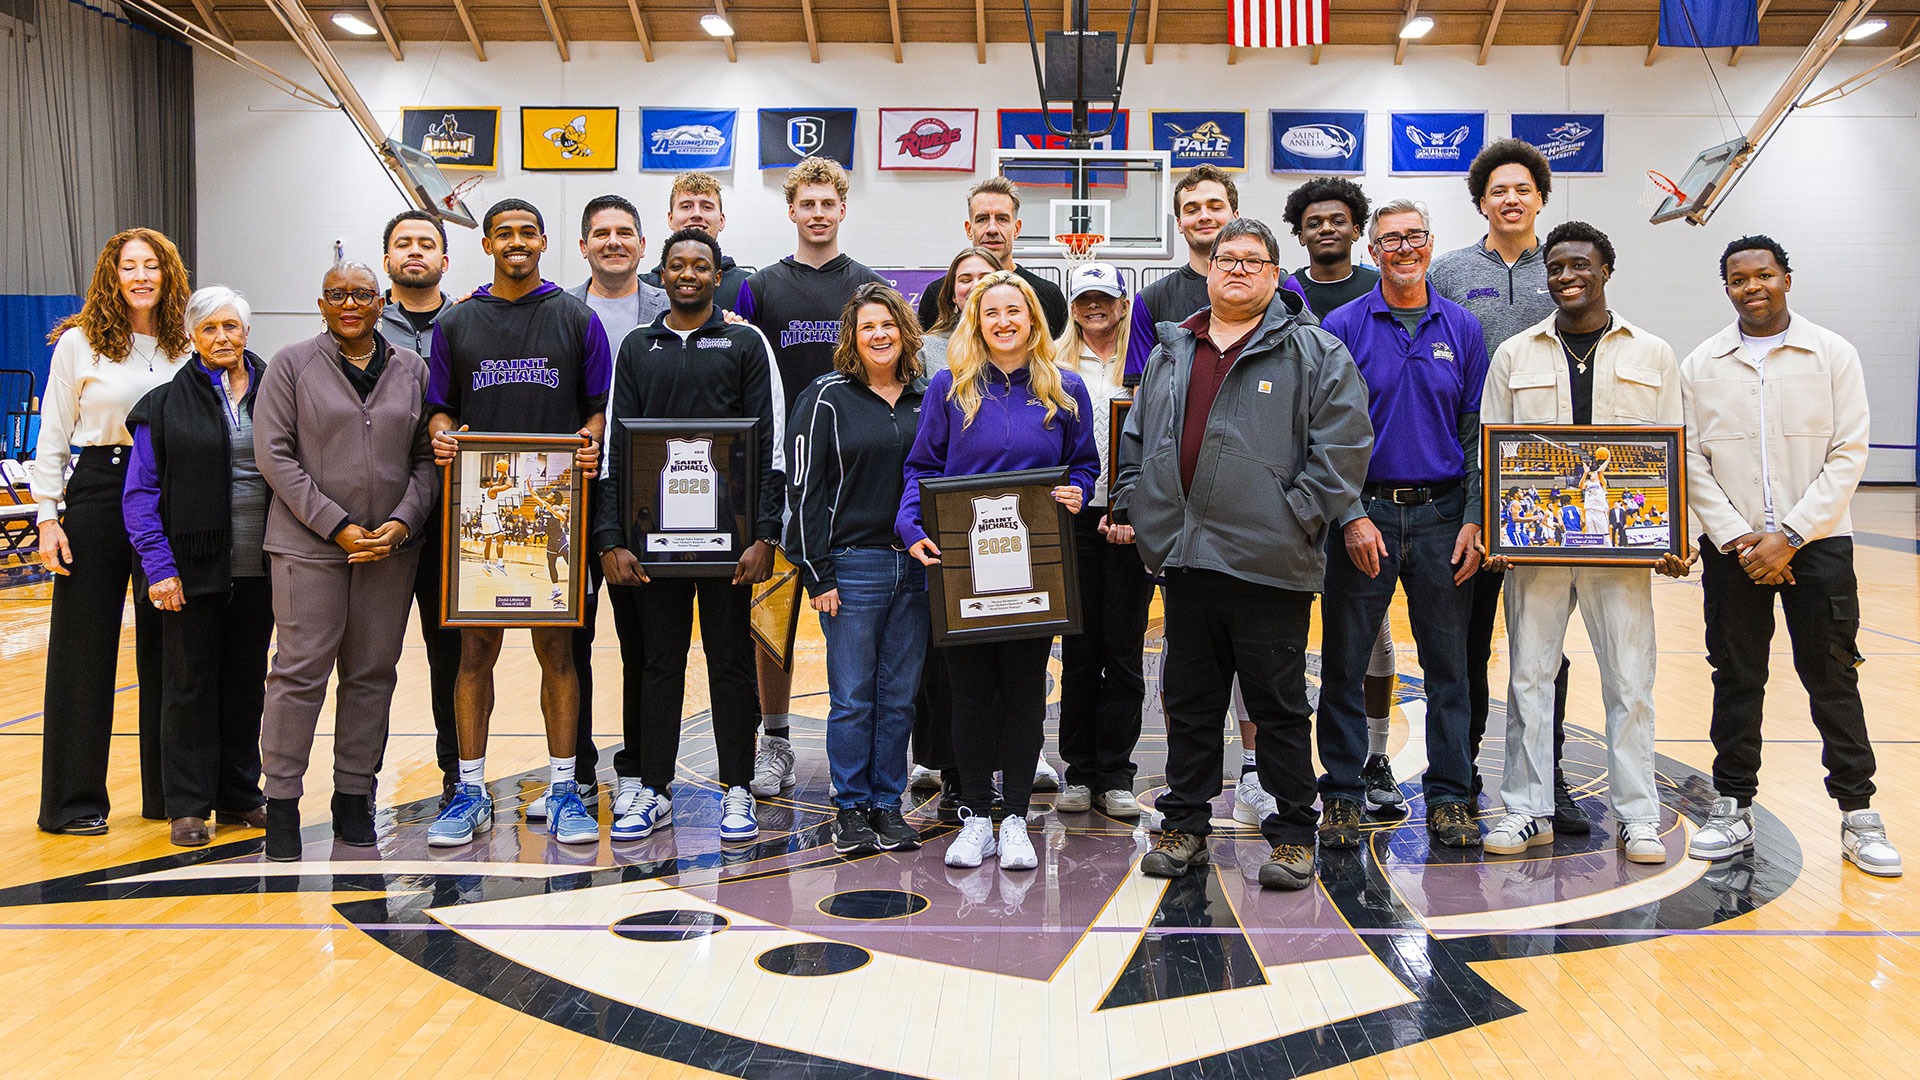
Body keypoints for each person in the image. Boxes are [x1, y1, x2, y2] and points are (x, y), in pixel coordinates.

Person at [1113, 218, 1372, 890]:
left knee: (1278, 708)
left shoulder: (1315, 352)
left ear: (1274, 274)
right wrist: (1137, 503)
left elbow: (1342, 450)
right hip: (1187, 557)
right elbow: (1136, 437)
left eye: (1253, 261)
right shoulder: (1175, 349)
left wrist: (1295, 517)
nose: (1236, 269)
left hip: (1270, 562)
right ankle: (1184, 827)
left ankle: (1291, 836)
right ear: (1209, 269)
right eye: (1226, 258)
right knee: (1191, 702)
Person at [1679, 235, 1900, 877]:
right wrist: (1741, 537)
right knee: (1737, 679)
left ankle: (1859, 816)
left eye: (1764, 275)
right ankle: (1732, 806)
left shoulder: (1832, 354)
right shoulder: (1702, 364)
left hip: (1819, 547)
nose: (1753, 287)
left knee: (1833, 678)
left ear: (1787, 279)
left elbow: (1848, 454)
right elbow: (1690, 460)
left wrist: (1791, 534)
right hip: (1735, 553)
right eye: (1738, 279)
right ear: (1727, 288)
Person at [1478, 221, 1687, 865]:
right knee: (1528, 679)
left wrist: (1678, 534)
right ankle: (1525, 810)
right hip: (1535, 549)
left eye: (1580, 265)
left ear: (1605, 270)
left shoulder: (1652, 353)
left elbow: (1675, 447)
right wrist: (1495, 528)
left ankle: (1637, 816)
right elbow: (1493, 445)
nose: (1567, 276)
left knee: (1631, 683)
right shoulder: (1515, 353)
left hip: (1621, 553)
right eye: (1556, 267)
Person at [898, 270, 1099, 870]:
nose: (1005, 321)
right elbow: (921, 469)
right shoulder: (948, 387)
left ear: (1034, 320)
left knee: (1023, 693)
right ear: (976, 322)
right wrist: (912, 526)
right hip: (963, 568)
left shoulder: (1065, 390)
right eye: (993, 313)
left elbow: (1084, 467)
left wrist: (1078, 494)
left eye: (1016, 311)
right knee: (969, 696)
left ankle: (1014, 817)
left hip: (1035, 570)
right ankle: (976, 817)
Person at [425, 198, 609, 848]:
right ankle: (468, 790)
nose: (516, 242)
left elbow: (597, 410)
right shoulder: (457, 323)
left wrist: (588, 440)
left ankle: (565, 789)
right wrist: (443, 437)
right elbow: (439, 409)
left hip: (557, 514)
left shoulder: (575, 318)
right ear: (487, 244)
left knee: (558, 651)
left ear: (543, 240)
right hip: (481, 518)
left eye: (526, 232)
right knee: (476, 652)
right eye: (504, 233)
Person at [594, 228, 785, 844]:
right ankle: (652, 788)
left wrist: (763, 534)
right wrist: (609, 537)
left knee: (731, 663)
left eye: (699, 266)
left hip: (729, 544)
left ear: (716, 272)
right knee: (657, 663)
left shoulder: (745, 343)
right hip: (653, 543)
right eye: (676, 266)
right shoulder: (637, 346)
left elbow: (768, 448)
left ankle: (736, 787)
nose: (687, 275)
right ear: (662, 273)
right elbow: (616, 448)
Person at [1316, 199, 1487, 849]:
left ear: (1431, 242)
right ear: (1371, 251)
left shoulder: (1463, 327)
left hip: (1445, 516)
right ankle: (1339, 795)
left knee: (1449, 666)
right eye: (1390, 240)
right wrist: (1352, 514)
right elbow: (1323, 430)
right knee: (1345, 660)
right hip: (1366, 517)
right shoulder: (1343, 324)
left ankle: (1448, 795)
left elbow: (1474, 431)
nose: (1404, 248)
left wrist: (1474, 516)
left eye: (1414, 236)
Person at [253, 262, 438, 860]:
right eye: (337, 295)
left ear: (381, 301)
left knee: (371, 676)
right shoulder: (290, 365)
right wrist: (336, 526)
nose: (350, 303)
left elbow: (426, 458)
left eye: (361, 294)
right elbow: (274, 456)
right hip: (308, 547)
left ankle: (354, 799)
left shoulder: (412, 369)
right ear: (321, 304)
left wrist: (403, 520)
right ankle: (280, 803)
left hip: (388, 549)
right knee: (299, 672)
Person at [1428, 137, 1582, 832]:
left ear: (1540, 197)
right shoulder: (1452, 271)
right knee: (1466, 646)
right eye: (1498, 191)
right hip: (1470, 485)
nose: (1511, 198)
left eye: (1523, 188)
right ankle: (1459, 781)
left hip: (1552, 488)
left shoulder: (1569, 269)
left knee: (1545, 645)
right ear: (1482, 202)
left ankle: (1547, 780)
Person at [735, 156, 888, 801]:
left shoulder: (868, 286)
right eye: (808, 204)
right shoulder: (760, 288)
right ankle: (773, 741)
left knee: (856, 622)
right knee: (771, 619)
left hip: (849, 487)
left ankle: (876, 744)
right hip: (779, 475)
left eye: (830, 203)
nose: (819, 214)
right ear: (792, 210)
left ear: (842, 210)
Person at [35, 228, 194, 835]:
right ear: (112, 275)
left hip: (171, 495)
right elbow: (52, 433)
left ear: (169, 274)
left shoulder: (187, 341)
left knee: (172, 646)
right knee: (83, 649)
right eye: (129, 266)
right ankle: (73, 804)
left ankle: (170, 796)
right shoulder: (80, 344)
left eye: (152, 265)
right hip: (101, 489)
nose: (141, 276)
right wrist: (48, 516)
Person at [123, 286, 272, 847]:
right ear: (191, 335)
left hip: (260, 566)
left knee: (246, 682)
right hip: (187, 571)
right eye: (209, 328)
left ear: (247, 333)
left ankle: (239, 794)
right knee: (188, 687)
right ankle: (188, 803)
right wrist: (158, 567)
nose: (222, 338)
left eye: (231, 327)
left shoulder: (275, 393)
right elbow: (139, 493)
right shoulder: (161, 404)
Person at [786, 282, 929, 854]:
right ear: (852, 334)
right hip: (851, 567)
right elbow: (801, 490)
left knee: (899, 697)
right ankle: (850, 807)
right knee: (852, 697)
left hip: (915, 568)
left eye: (889, 324)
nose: (880, 334)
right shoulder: (824, 397)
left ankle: (887, 805)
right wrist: (816, 573)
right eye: (868, 325)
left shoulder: (926, 394)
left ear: (905, 332)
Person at [1278, 175, 1403, 812]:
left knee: (1368, 637)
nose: (1326, 228)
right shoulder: (1284, 293)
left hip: (1367, 489)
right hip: (1294, 490)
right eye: (1313, 221)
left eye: (1338, 219)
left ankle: (1374, 755)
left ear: (1358, 229)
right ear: (1298, 233)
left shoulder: (1377, 292)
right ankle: (1290, 761)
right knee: (1288, 636)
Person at [1051, 262, 1151, 821]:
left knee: (1124, 650)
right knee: (1081, 651)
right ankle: (1078, 771)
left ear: (1121, 301)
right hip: (1074, 520)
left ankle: (1116, 774)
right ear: (1074, 305)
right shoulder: (1056, 362)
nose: (1095, 308)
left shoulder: (1146, 360)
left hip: (1132, 521)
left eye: (1104, 299)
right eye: (1084, 299)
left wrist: (1137, 509)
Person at [376, 210, 467, 807]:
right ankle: (357, 784)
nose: (415, 252)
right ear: (387, 258)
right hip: (376, 515)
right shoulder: (355, 322)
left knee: (450, 656)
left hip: (451, 514)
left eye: (426, 244)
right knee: (371, 659)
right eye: (403, 244)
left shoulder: (468, 323)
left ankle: (460, 775)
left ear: (445, 258)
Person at [1125, 165, 1243, 385]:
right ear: (1179, 223)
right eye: (1191, 209)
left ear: (1235, 216)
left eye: (1215, 207)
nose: (1204, 216)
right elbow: (1141, 392)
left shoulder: (1279, 288)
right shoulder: (1151, 300)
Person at [915, 176, 1071, 337]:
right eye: (982, 219)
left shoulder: (1047, 295)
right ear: (969, 229)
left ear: (1016, 229)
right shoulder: (938, 294)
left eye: (1002, 219)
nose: (992, 229)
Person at [567, 194, 669, 351]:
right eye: (602, 234)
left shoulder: (671, 306)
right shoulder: (561, 308)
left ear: (642, 245)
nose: (613, 242)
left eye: (624, 233)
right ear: (584, 247)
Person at [640, 171, 751, 305]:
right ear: (670, 219)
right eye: (686, 206)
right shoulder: (643, 287)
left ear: (721, 221)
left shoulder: (749, 287)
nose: (697, 214)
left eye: (707, 207)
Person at [1280, 176, 1380, 318]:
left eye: (1338, 221)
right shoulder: (1288, 292)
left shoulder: (1378, 287)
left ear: (1355, 231)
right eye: (1314, 224)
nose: (1326, 228)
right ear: (1301, 236)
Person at [919, 246, 1004, 372]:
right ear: (953, 295)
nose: (975, 286)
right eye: (965, 280)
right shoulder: (927, 349)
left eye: (986, 278)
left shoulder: (1018, 344)